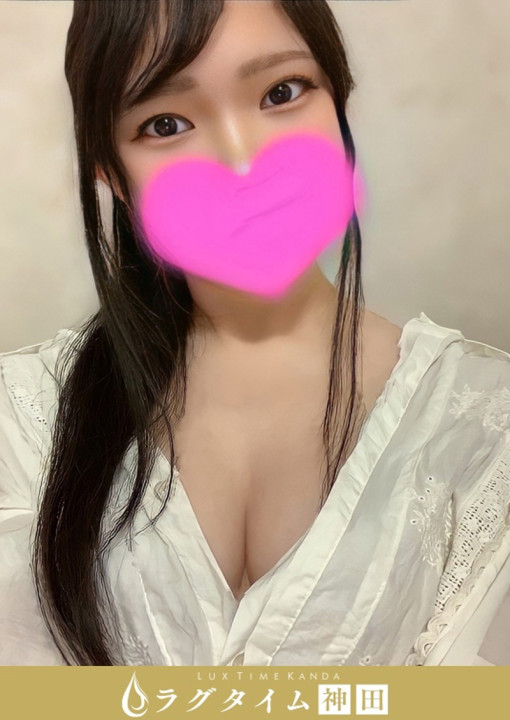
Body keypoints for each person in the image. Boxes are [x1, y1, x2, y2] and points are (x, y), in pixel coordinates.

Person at [1, 0, 509, 667]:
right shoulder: (21, 417)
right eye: (165, 124)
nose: (243, 162)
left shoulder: (486, 421)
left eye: (281, 92)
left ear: (339, 99)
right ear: (109, 172)